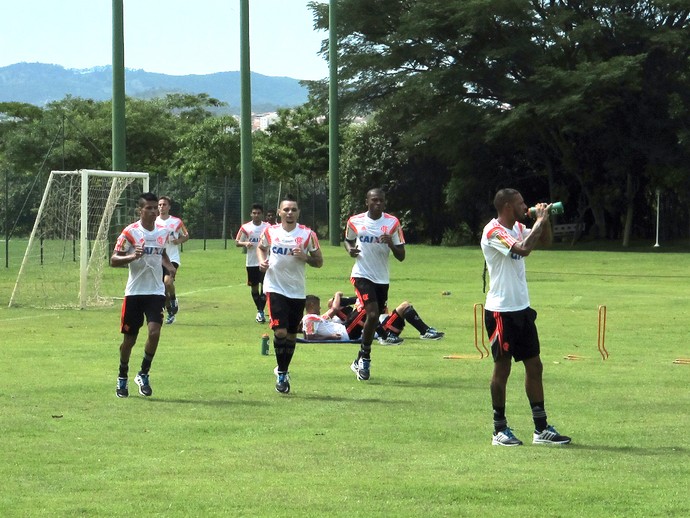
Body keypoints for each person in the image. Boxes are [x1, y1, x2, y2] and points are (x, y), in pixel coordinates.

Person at [481, 188, 571, 446]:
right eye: (521, 203)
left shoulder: (519, 226)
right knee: (503, 368)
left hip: (522, 309)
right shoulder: (493, 231)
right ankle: (499, 429)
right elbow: (522, 249)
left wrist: (545, 222)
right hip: (500, 311)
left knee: (535, 366)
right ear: (508, 206)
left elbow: (544, 242)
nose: (526, 206)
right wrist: (539, 222)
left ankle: (541, 429)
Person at [111, 192, 176, 398]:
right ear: (140, 210)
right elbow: (113, 259)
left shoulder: (163, 231)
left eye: (155, 207)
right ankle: (122, 376)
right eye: (148, 208)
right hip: (134, 293)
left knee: (154, 332)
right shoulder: (130, 232)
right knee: (129, 340)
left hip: (155, 291)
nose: (153, 210)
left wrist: (168, 266)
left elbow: (162, 252)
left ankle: (143, 374)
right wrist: (132, 255)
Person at [257, 195, 323, 394]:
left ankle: (283, 369)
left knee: (292, 336)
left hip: (297, 290)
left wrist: (305, 257)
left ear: (298, 213)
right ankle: (282, 373)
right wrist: (262, 261)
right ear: (279, 212)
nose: (290, 213)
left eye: (293, 209)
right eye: (286, 209)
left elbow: (319, 261)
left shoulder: (307, 234)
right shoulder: (270, 232)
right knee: (280, 332)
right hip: (275, 287)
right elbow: (261, 248)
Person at [344, 188, 405, 380]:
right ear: (367, 201)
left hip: (382, 278)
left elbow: (401, 256)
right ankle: (366, 358)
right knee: (371, 313)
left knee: (375, 317)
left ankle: (359, 358)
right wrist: (350, 250)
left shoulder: (392, 223)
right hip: (361, 275)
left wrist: (391, 244)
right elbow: (348, 240)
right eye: (374, 200)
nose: (378, 203)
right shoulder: (355, 221)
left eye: (381, 201)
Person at [326, 291, 444, 344]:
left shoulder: (359, 308)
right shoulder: (352, 315)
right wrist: (337, 294)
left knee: (405, 305)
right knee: (404, 306)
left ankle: (425, 331)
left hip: (383, 324)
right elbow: (333, 304)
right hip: (383, 329)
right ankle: (424, 332)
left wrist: (360, 297)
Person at [156, 196, 189, 324]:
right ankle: (170, 312)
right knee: (161, 291)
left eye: (164, 204)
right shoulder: (153, 221)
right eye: (159, 205)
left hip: (172, 258)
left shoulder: (176, 222)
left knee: (167, 282)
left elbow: (186, 236)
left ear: (169, 207)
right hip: (158, 258)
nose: (161, 207)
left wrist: (178, 241)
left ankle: (174, 299)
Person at [235, 203, 270, 323]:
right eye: (254, 213)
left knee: (265, 288)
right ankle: (260, 310)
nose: (256, 215)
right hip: (251, 263)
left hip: (265, 262)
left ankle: (260, 311)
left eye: (258, 213)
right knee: (254, 288)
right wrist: (245, 244)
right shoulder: (246, 227)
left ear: (262, 214)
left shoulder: (268, 227)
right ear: (251, 214)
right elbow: (237, 241)